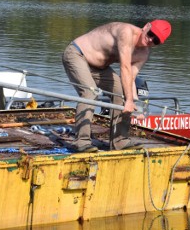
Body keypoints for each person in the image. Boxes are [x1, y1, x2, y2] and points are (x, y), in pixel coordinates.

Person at [62, 20, 171, 152]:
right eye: (151, 34)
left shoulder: (143, 54)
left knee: (121, 94)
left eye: (156, 40)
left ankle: (119, 141)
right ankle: (82, 141)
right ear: (146, 26)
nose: (150, 39)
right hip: (77, 54)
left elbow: (131, 76)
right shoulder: (126, 33)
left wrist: (135, 104)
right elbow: (124, 67)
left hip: (100, 68)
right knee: (90, 93)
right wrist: (129, 100)